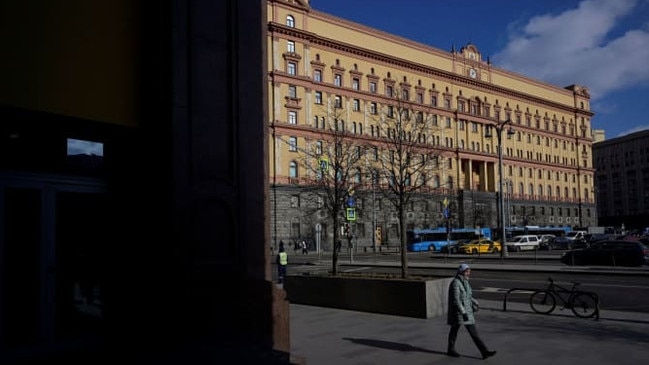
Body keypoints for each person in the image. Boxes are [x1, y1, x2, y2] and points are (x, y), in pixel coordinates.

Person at [446, 263, 496, 359]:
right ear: (462, 272)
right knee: (455, 331)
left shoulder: (465, 281)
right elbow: (456, 300)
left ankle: (484, 352)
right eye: (467, 271)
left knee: (467, 332)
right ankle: (451, 349)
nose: (469, 273)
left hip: (466, 310)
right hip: (459, 312)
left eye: (469, 271)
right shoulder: (456, 283)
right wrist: (463, 312)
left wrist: (475, 302)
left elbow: (468, 295)